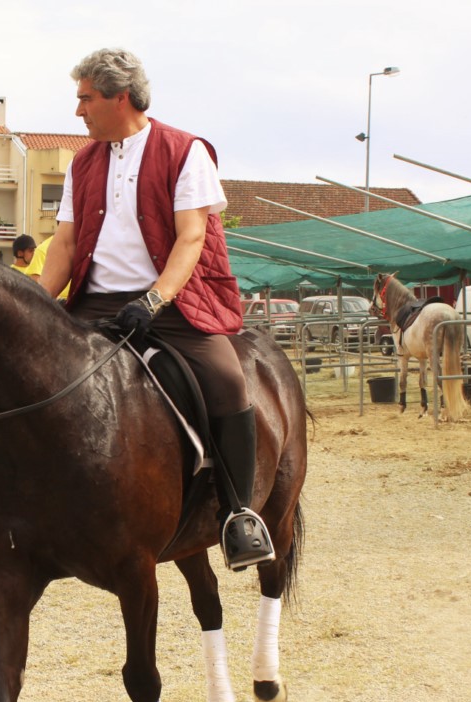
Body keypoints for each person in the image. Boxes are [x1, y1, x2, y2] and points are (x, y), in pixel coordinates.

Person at [38, 48, 274, 570]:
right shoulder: (83, 161)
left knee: (228, 381)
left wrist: (154, 298)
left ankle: (238, 515)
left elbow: (191, 237)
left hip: (172, 303)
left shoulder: (185, 151)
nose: (78, 111)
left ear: (119, 97)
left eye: (85, 99)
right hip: (93, 304)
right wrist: (35, 300)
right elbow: (65, 243)